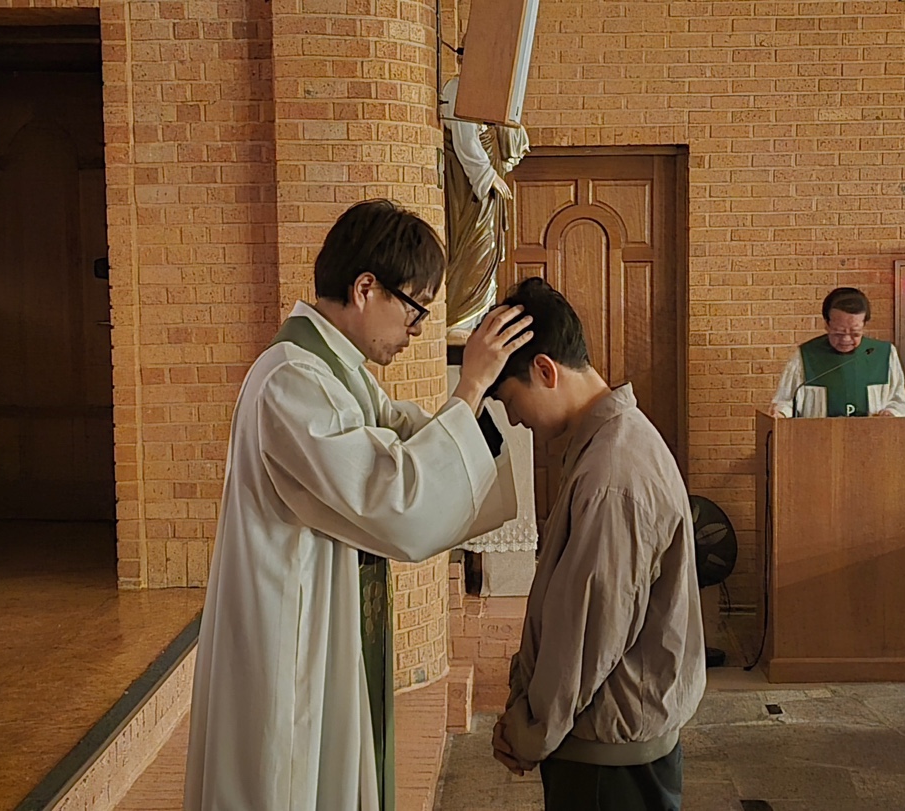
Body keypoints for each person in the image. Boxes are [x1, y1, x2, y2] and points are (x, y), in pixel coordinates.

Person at [184, 200, 533, 811]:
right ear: (366, 287)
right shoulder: (291, 381)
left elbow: (403, 437)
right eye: (415, 307)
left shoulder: (337, 373)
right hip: (289, 640)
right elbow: (393, 497)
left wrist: (475, 408)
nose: (417, 329)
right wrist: (470, 386)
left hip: (323, 623)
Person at [486, 278, 706, 811]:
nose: (513, 418)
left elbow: (587, 634)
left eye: (511, 399)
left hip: (609, 762)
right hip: (606, 746)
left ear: (545, 370)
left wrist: (529, 730)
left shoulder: (613, 473)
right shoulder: (611, 443)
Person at [440, 75, 530, 337]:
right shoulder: (460, 87)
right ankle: (461, 321)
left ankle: (478, 317)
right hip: (471, 190)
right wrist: (488, 176)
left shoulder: (488, 87)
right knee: (475, 247)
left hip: (486, 184)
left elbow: (508, 133)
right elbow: (465, 140)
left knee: (489, 248)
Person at [770, 287, 905, 418]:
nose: (846, 339)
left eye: (855, 333)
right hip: (819, 435)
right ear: (827, 324)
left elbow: (898, 400)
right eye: (838, 333)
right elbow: (786, 401)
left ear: (864, 325)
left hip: (873, 434)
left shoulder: (884, 354)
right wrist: (781, 413)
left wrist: (891, 413)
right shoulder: (806, 355)